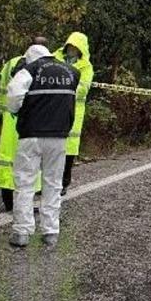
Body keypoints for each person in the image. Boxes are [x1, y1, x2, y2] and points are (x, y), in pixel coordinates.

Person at [5, 44, 79, 247]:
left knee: (24, 183)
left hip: (31, 135)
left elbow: (13, 94)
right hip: (59, 136)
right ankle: (51, 231)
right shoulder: (71, 72)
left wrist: (16, 110)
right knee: (53, 184)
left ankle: (22, 232)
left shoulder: (29, 70)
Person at [0, 36, 47, 211]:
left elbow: (3, 90)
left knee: (8, 161)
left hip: (9, 119)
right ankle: (24, 204)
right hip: (29, 119)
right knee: (29, 160)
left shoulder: (11, 63)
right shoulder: (42, 68)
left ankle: (9, 201)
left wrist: (1, 112)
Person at [53, 32, 94, 197]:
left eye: (76, 48)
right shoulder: (55, 58)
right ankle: (45, 183)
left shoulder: (85, 66)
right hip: (54, 109)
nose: (72, 50)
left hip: (73, 111)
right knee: (51, 148)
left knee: (68, 152)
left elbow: (83, 88)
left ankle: (63, 182)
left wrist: (64, 90)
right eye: (70, 47)